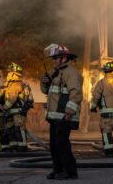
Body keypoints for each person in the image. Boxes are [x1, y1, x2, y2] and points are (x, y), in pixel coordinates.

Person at [40, 44, 83, 180]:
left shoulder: (71, 72)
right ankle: (58, 170)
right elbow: (47, 92)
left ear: (64, 58)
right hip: (55, 116)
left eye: (56, 58)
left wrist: (70, 111)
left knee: (62, 144)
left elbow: (76, 93)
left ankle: (70, 172)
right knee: (54, 145)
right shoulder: (55, 72)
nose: (54, 61)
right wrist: (45, 82)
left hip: (65, 116)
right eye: (53, 59)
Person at [1, 62, 33, 152]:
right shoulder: (16, 84)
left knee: (19, 129)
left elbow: (12, 98)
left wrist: (5, 107)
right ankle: (14, 146)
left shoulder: (15, 84)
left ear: (14, 73)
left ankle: (22, 147)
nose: (8, 73)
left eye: (10, 72)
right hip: (15, 111)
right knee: (13, 129)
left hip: (17, 110)